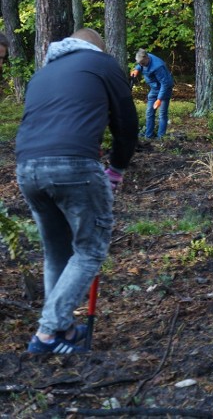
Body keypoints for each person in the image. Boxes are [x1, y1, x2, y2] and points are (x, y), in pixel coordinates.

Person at [16, 28, 138, 353]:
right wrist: (117, 167)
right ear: (97, 48)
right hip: (74, 166)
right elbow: (126, 123)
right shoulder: (102, 64)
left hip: (28, 168)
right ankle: (47, 333)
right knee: (90, 250)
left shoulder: (43, 73)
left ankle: (65, 330)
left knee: (57, 252)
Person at [131, 49, 174, 139]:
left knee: (162, 114)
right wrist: (136, 69)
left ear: (147, 58)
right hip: (154, 89)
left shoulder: (158, 67)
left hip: (164, 89)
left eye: (142, 63)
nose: (141, 65)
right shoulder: (143, 58)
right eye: (140, 63)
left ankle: (160, 137)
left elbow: (165, 84)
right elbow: (139, 65)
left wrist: (159, 99)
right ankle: (148, 135)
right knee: (149, 112)